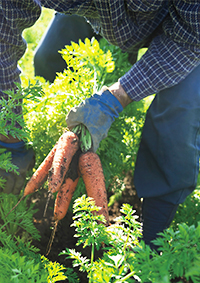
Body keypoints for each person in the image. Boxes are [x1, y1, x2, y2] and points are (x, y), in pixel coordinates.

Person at [1, 1, 200, 251]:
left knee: (179, 111)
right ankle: (47, 200)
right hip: (101, 11)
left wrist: (114, 99)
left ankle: (152, 243)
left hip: (185, 27)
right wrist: (8, 130)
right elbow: (3, 29)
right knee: (49, 59)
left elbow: (191, 38)